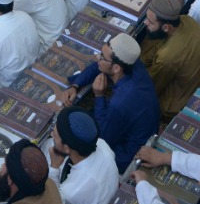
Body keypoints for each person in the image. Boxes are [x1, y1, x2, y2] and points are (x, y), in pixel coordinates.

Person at [63, 33, 159, 169]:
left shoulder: (121, 102)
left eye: (102, 57)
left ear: (116, 68)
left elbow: (103, 138)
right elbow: (98, 66)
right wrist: (75, 85)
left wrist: (99, 96)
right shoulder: (132, 64)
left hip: (126, 155)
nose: (98, 58)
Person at [45, 108, 119, 204]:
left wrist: (54, 168)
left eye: (54, 135)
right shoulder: (102, 145)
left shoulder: (73, 191)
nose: (51, 134)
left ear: (67, 148)